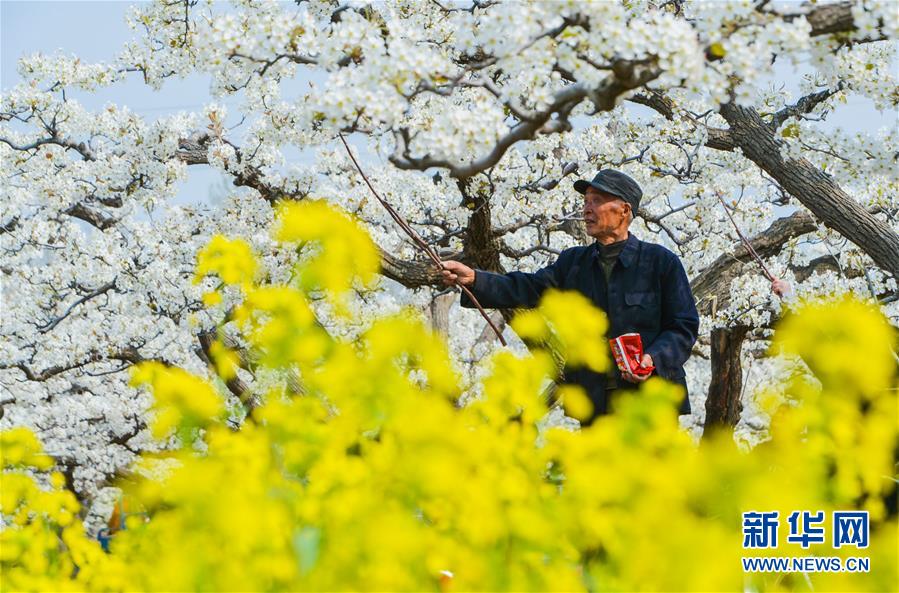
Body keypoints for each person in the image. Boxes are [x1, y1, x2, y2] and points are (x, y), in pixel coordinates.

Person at [441, 169, 699, 423]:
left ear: (624, 210)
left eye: (597, 200)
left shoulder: (661, 262)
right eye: (585, 201)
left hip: (651, 405)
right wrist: (475, 279)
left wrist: (651, 359)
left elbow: (683, 327)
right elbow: (529, 288)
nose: (587, 209)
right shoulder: (574, 262)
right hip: (593, 404)